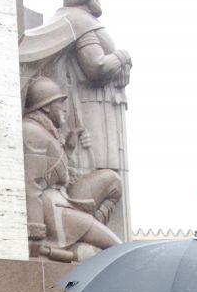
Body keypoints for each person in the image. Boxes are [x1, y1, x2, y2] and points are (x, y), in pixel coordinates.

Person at [19, 0, 132, 240]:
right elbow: (96, 67)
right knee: (109, 181)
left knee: (110, 186)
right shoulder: (79, 22)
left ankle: (91, 233)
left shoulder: (79, 21)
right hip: (93, 119)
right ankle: (91, 235)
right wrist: (123, 56)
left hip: (100, 121)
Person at [22, 77, 123, 262]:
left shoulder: (45, 130)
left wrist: (68, 148)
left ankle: (86, 234)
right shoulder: (31, 131)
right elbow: (32, 183)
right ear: (46, 107)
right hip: (53, 209)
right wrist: (35, 232)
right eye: (59, 103)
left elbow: (53, 170)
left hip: (64, 198)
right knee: (117, 248)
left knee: (113, 181)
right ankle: (82, 241)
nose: (64, 108)